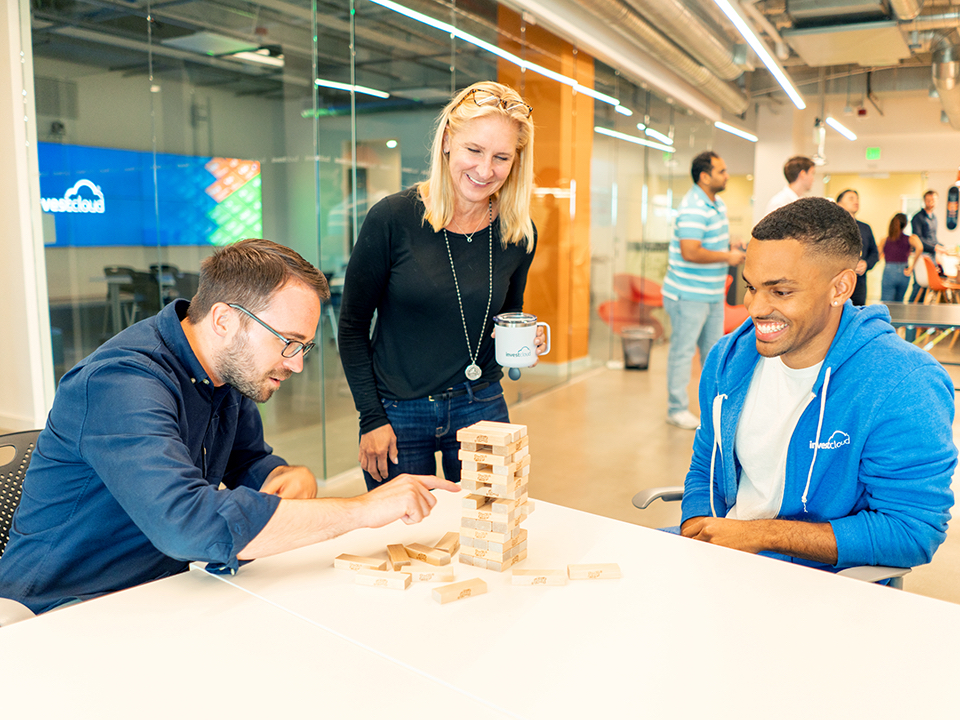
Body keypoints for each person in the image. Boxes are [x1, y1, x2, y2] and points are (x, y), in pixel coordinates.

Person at [0, 239, 458, 615]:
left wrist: (281, 476)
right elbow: (187, 524)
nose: (297, 365)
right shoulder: (121, 383)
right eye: (287, 343)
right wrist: (360, 510)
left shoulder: (225, 373)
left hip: (160, 591)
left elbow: (249, 460)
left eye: (305, 347)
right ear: (224, 320)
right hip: (60, 610)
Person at [680, 198, 955, 572]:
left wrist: (762, 536)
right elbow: (704, 466)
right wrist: (696, 527)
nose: (756, 308)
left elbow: (911, 532)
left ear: (840, 288)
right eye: (751, 287)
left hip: (817, 584)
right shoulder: (728, 358)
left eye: (780, 292)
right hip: (722, 559)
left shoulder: (902, 383)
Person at [338, 81, 543, 490]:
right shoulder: (393, 219)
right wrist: (371, 417)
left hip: (480, 403)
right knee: (405, 542)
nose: (486, 171)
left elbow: (506, 315)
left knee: (490, 530)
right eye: (474, 150)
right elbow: (352, 327)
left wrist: (522, 339)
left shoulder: (517, 233)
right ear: (448, 140)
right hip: (398, 411)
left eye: (501, 157)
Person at [662, 150, 746, 430]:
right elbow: (690, 251)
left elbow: (707, 243)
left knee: (713, 353)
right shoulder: (693, 207)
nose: (727, 175)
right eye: (721, 171)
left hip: (711, 294)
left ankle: (712, 410)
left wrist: (730, 248)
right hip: (688, 295)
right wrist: (727, 257)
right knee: (683, 353)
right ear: (704, 176)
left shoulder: (716, 204)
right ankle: (676, 409)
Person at [835, 189, 879, 305]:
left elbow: (874, 253)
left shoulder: (865, 228)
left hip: (859, 282)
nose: (856, 201)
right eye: (851, 198)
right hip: (837, 281)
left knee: (858, 314)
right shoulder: (832, 229)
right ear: (839, 204)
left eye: (857, 198)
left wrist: (866, 264)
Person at [879, 212, 923, 302]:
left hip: (889, 271)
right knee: (899, 303)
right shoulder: (910, 239)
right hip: (904, 271)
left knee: (886, 303)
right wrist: (912, 267)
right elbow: (920, 247)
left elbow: (877, 255)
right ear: (905, 225)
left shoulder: (884, 240)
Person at [909, 190, 942, 302]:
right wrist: (935, 247)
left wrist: (941, 247)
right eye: (928, 200)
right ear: (924, 201)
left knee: (928, 287)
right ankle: (911, 309)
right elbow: (918, 239)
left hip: (932, 256)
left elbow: (933, 238)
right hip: (922, 256)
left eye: (933, 200)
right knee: (919, 286)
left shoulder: (934, 218)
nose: (931, 202)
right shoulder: (917, 217)